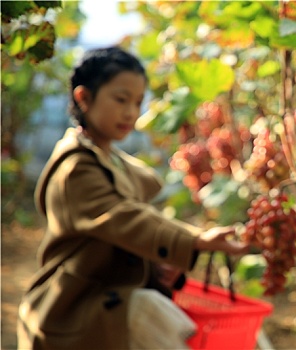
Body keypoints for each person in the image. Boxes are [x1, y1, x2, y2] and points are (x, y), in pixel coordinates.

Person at [17, 46, 249, 350]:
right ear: (83, 98)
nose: (131, 112)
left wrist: (157, 262)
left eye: (138, 102)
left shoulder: (112, 159)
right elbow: (122, 218)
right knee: (155, 315)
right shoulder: (76, 167)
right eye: (121, 99)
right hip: (73, 309)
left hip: (111, 299)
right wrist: (194, 240)